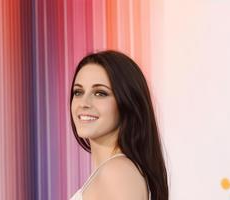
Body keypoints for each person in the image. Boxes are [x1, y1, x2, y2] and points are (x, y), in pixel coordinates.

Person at [69, 50, 168, 200]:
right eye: (78, 92)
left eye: (100, 93)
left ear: (127, 103)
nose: (83, 103)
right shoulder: (116, 171)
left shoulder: (116, 173)